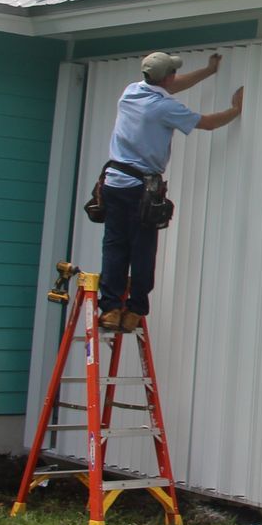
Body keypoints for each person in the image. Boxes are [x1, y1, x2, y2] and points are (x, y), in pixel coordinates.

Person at [98, 51, 243, 328]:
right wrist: (235, 110)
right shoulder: (164, 108)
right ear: (167, 77)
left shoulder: (130, 92)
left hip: (114, 182)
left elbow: (172, 85)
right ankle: (135, 309)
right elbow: (208, 123)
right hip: (140, 189)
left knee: (115, 245)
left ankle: (111, 308)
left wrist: (208, 71)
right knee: (142, 249)